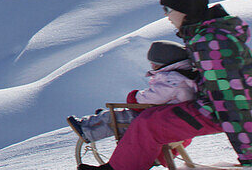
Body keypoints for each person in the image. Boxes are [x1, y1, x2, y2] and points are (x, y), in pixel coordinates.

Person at [78, 0, 252, 170]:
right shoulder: (207, 35)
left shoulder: (210, 42)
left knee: (151, 123)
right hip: (245, 100)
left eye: (168, 10)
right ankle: (141, 159)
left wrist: (248, 155)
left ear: (184, 10)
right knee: (154, 115)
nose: (167, 16)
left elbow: (229, 96)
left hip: (243, 106)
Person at [67, 40, 198, 143]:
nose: (152, 66)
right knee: (119, 116)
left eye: (155, 63)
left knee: (115, 118)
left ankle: (86, 130)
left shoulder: (172, 80)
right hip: (166, 116)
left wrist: (134, 97)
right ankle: (97, 121)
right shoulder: (181, 77)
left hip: (159, 119)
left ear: (166, 63)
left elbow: (152, 97)